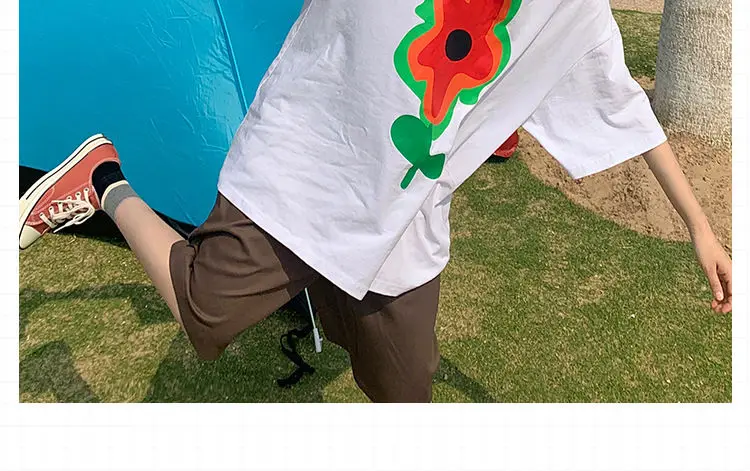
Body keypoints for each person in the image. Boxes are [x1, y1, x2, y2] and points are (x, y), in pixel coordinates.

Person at [18, 0, 732, 402]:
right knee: (203, 309)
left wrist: (699, 227)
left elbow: (622, 105)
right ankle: (105, 179)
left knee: (405, 391)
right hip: (307, 164)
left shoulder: (570, 11)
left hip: (399, 220)